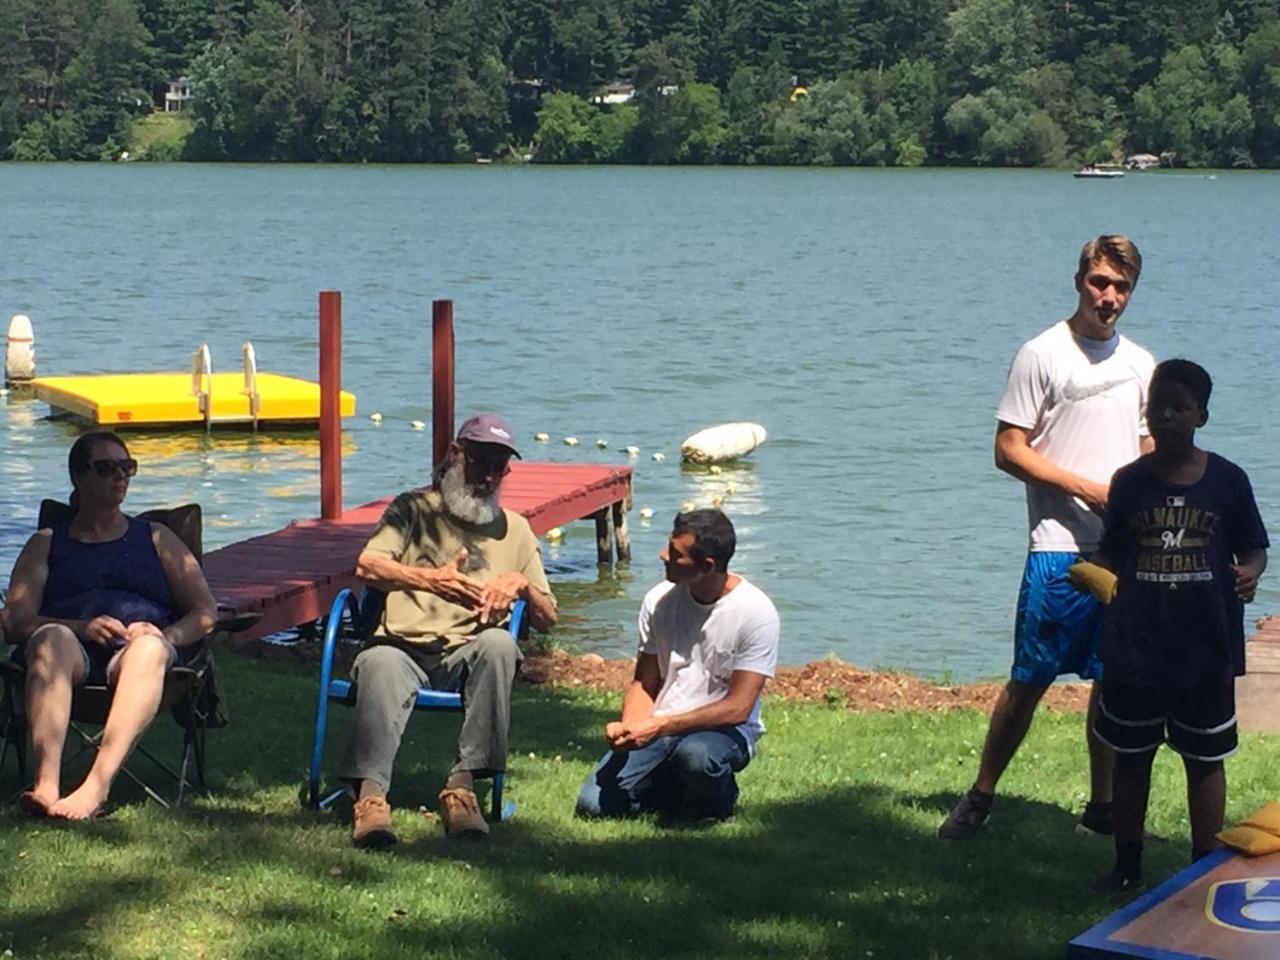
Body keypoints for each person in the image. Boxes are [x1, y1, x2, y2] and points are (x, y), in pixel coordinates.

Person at [939, 235, 1156, 840]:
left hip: (1121, 551)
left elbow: (1148, 448)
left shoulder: (1141, 363)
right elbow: (1009, 449)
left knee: (1112, 679)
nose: (1109, 297)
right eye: (1100, 283)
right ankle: (980, 795)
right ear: (1079, 280)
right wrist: (1084, 487)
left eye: (1122, 288)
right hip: (1057, 544)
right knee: (1030, 677)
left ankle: (1103, 807)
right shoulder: (1042, 353)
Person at [1087, 360, 1268, 893]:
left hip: (1205, 647)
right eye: (1156, 405)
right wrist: (1093, 578)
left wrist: (1248, 573)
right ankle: (1127, 865)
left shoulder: (1228, 480)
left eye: (1178, 407)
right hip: (1136, 646)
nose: (1164, 416)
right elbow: (1111, 550)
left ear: (1201, 416)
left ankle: (1201, 867)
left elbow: (1254, 547)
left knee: (1205, 761)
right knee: (1131, 758)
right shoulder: (1129, 482)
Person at [339, 413, 557, 849]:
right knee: (379, 662)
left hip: (468, 653)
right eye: (481, 462)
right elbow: (367, 566)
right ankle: (370, 797)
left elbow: (548, 616)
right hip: (401, 646)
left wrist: (521, 585)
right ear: (456, 456)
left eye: (500, 466)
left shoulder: (515, 529)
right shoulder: (411, 509)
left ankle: (462, 788)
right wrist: (429, 579)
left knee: (499, 645)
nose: (490, 475)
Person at [4, 431, 217, 820]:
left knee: (149, 650)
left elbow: (205, 612)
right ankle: (46, 784)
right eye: (106, 468)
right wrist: (81, 627)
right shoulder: (47, 542)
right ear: (79, 478)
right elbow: (16, 621)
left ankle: (95, 787)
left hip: (139, 659)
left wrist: (164, 634)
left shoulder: (156, 538)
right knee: (51, 638)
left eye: (127, 467)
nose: (120, 476)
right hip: (74, 656)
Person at [576, 509, 779, 822]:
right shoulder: (658, 601)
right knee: (593, 805)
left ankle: (718, 805)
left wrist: (661, 726)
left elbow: (738, 707)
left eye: (675, 554)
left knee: (697, 757)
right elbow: (645, 682)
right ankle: (677, 788)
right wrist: (631, 726)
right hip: (663, 725)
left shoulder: (756, 613)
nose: (662, 556)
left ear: (706, 566)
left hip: (724, 731)